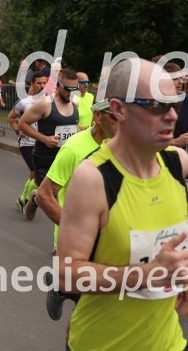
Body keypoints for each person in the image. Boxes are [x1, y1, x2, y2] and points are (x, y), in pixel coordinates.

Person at [56, 58, 188, 351]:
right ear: (119, 109)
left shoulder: (177, 164)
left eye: (175, 104)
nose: (171, 116)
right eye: (157, 106)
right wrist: (148, 275)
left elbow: (167, 242)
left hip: (169, 342)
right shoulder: (92, 178)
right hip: (103, 344)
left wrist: (181, 278)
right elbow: (67, 275)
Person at [35, 98, 116, 320]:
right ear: (98, 117)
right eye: (115, 115)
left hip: (110, 236)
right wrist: (79, 231)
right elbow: (44, 195)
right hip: (76, 241)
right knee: (92, 310)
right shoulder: (74, 148)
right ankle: (62, 287)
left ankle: (62, 287)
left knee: (97, 308)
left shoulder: (124, 148)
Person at [18, 68, 80, 221]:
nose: (70, 92)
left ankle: (37, 197)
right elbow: (22, 124)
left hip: (66, 159)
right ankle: (37, 198)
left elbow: (72, 128)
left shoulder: (74, 104)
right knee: (54, 199)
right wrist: (45, 139)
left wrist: (80, 132)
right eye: (67, 89)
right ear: (58, 86)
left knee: (66, 196)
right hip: (45, 158)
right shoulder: (45, 104)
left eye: (74, 89)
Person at [7, 71, 47, 212]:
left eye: (44, 83)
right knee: (36, 172)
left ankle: (22, 199)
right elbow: (10, 118)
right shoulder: (24, 102)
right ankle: (25, 199)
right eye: (39, 83)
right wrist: (19, 130)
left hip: (42, 142)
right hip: (27, 144)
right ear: (32, 84)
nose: (42, 86)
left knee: (34, 174)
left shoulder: (49, 101)